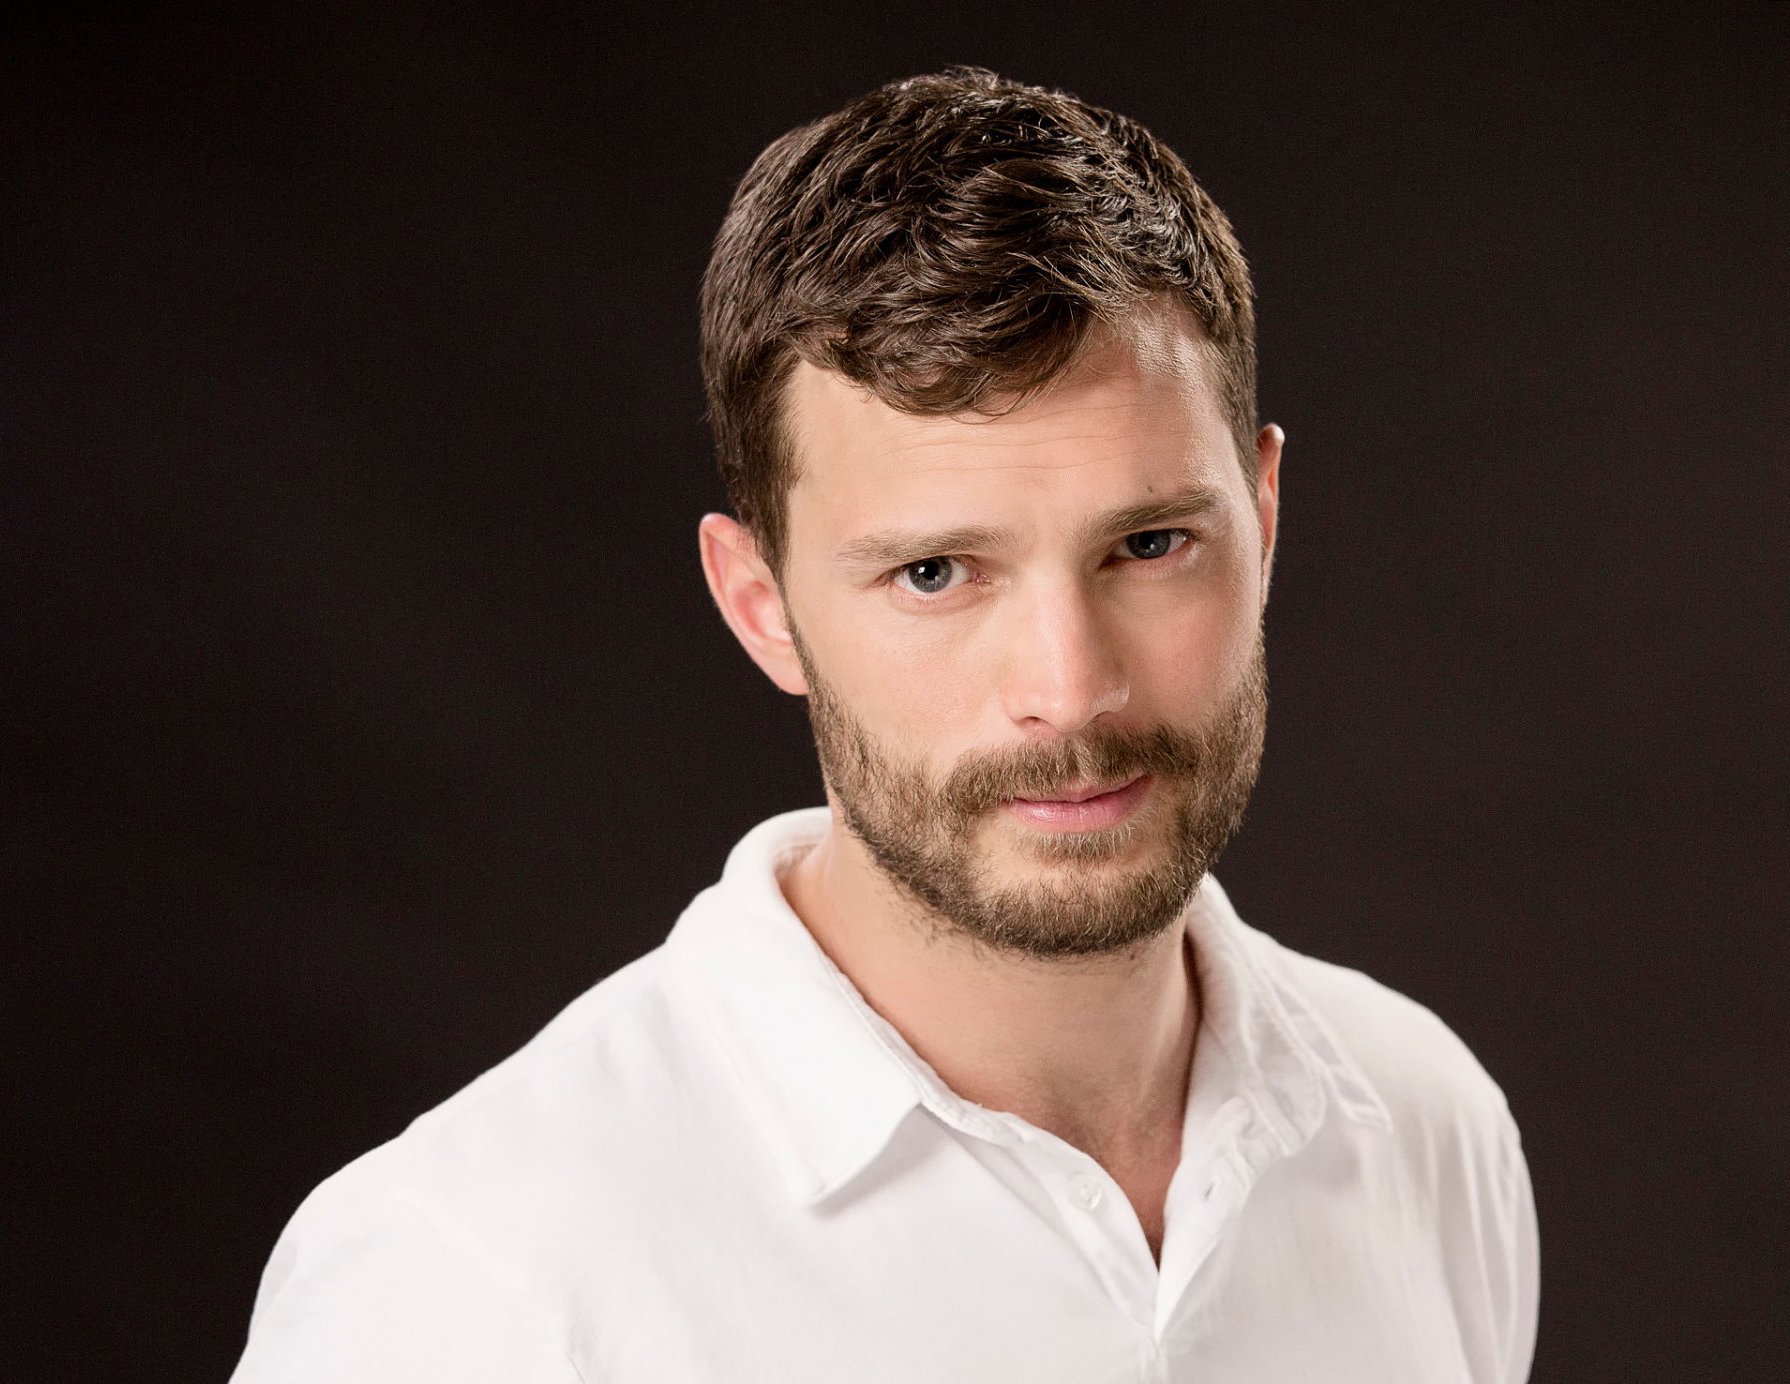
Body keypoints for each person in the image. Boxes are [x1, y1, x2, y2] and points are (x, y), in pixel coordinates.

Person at [231, 67, 1539, 1383]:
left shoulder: (1424, 1130)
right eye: (934, 572)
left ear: (1261, 517)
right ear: (761, 607)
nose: (1070, 687)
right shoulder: (471, 1286)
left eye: (1149, 544)